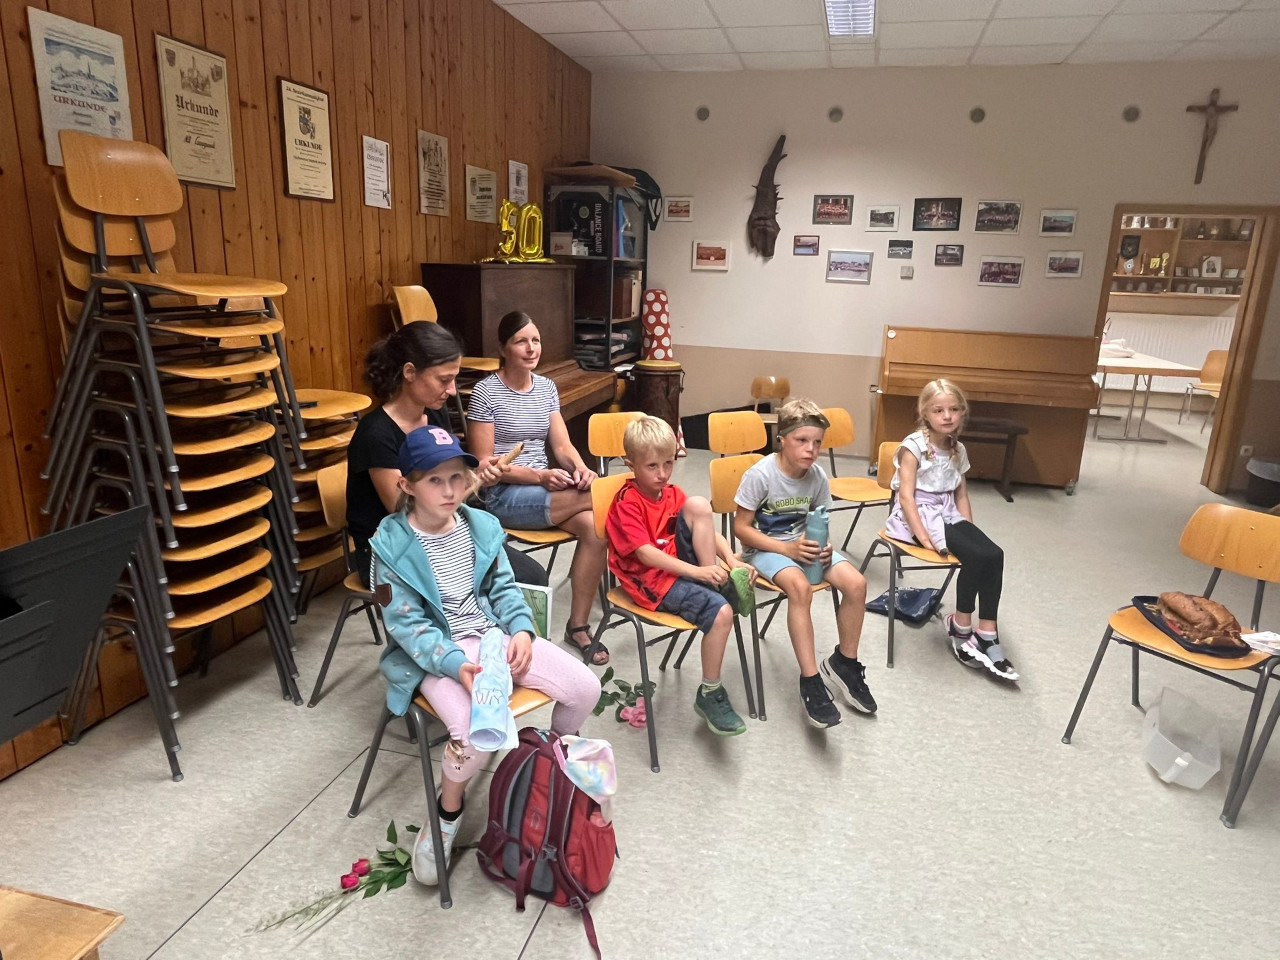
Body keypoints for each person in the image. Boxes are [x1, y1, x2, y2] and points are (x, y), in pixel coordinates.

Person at [369, 426, 601, 886]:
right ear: (407, 485)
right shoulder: (389, 544)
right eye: (435, 480)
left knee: (584, 688)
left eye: (457, 477)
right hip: (436, 654)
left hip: (493, 636)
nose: (450, 490)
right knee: (473, 736)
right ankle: (448, 811)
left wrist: (521, 630)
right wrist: (457, 665)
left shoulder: (479, 525)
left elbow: (503, 588)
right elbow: (407, 628)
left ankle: (550, 769)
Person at [346, 321, 547, 588]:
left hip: (441, 533)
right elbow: (407, 513)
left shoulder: (435, 414)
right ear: (410, 372)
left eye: (454, 378)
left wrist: (479, 472)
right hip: (392, 549)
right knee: (509, 583)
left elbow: (451, 477)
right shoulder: (375, 435)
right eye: (444, 380)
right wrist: (474, 482)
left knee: (530, 576)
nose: (452, 390)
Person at [466, 311, 609, 665]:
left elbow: (562, 446)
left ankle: (578, 627)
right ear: (503, 348)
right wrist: (540, 477)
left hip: (546, 491)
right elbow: (485, 465)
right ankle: (642, 560)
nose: (531, 348)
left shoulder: (546, 388)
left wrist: (580, 468)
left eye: (536, 340)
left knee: (596, 528)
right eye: (521, 341)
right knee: (602, 498)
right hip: (501, 494)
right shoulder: (485, 392)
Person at [605, 416, 756, 736]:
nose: (662, 474)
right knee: (722, 613)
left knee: (699, 505)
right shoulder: (627, 503)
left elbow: (706, 529)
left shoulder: (671, 493)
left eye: (669, 463)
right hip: (649, 582)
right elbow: (645, 555)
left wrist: (730, 560)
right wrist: (699, 571)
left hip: (680, 567)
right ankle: (709, 692)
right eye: (652, 466)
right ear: (630, 465)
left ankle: (720, 582)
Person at [733, 399, 875, 728]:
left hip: (804, 545)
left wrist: (825, 547)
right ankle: (810, 680)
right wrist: (788, 550)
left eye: (817, 442)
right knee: (800, 588)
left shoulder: (817, 476)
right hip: (764, 548)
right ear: (781, 439)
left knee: (857, 584)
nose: (811, 449)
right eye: (802, 440)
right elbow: (741, 528)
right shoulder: (761, 475)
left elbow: (819, 520)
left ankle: (844, 662)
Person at [885, 379, 1017, 681]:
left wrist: (970, 531)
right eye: (938, 410)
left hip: (947, 512)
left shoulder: (958, 449)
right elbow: (905, 497)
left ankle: (987, 631)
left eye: (954, 409)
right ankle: (961, 626)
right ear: (925, 413)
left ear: (962, 412)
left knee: (994, 554)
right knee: (977, 557)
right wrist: (923, 536)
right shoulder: (913, 447)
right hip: (917, 516)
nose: (947, 416)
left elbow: (961, 494)